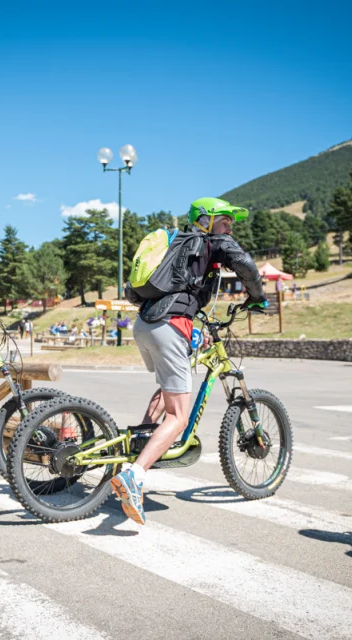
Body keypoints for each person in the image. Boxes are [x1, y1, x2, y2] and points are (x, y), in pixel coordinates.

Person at [110, 197, 268, 524]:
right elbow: (246, 265)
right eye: (225, 220)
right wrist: (258, 296)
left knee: (168, 389)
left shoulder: (177, 245)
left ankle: (143, 440)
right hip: (170, 325)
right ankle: (135, 474)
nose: (230, 227)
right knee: (179, 417)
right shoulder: (212, 242)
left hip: (146, 324)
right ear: (206, 221)